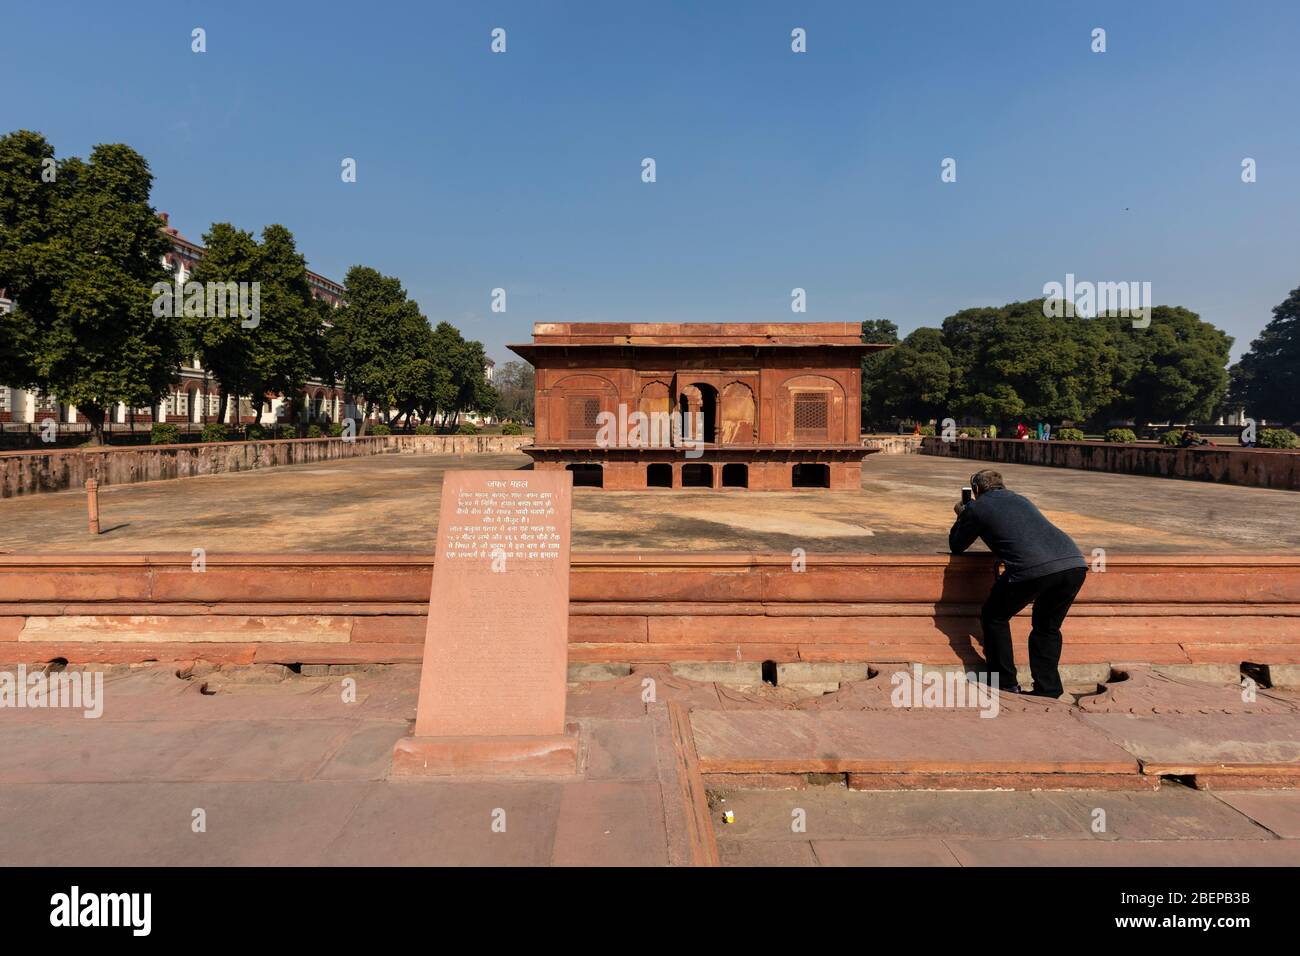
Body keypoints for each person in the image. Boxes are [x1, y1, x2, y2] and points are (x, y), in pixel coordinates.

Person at [949, 469, 1087, 698]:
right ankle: (1049, 688)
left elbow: (957, 544)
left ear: (976, 490)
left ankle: (1005, 682)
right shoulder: (1021, 499)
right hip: (1073, 564)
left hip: (1033, 570)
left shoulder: (977, 507)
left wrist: (962, 515)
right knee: (1047, 627)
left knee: (994, 616)